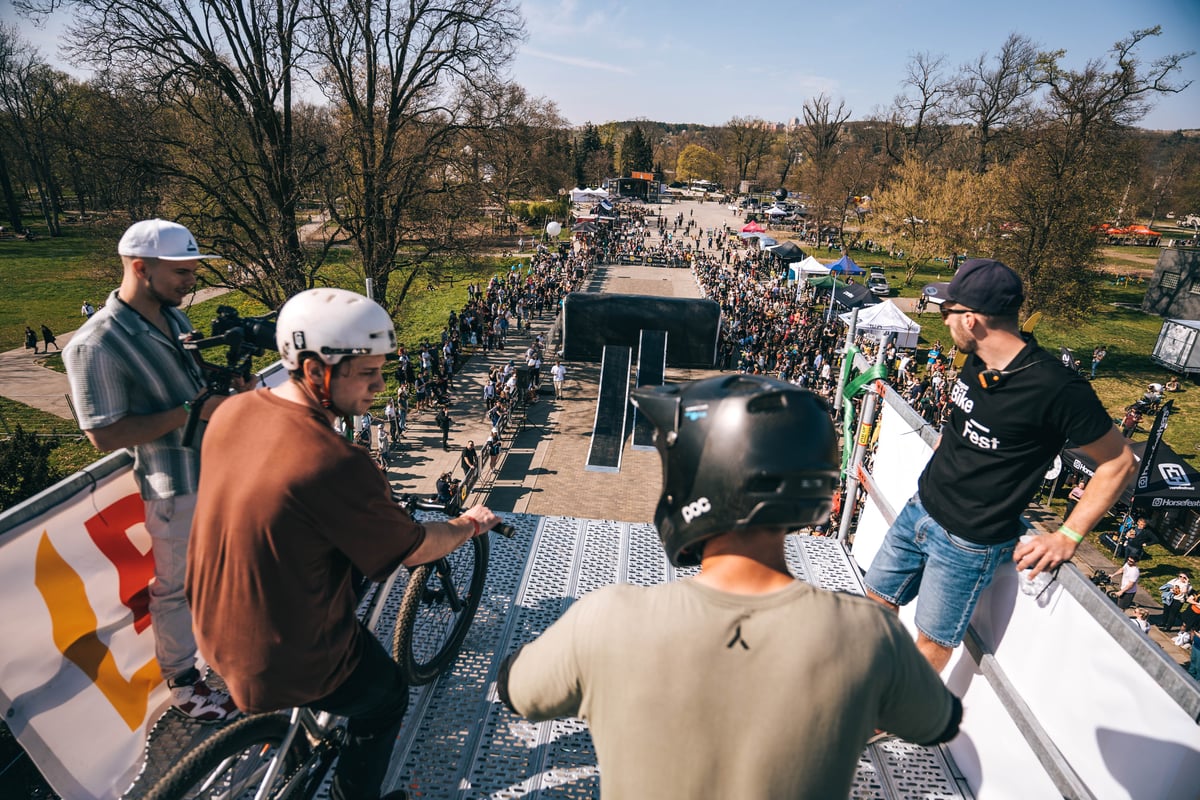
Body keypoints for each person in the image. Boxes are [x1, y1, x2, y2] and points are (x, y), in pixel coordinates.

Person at [499, 375, 961, 799]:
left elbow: (517, 690)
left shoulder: (607, 618)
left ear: (702, 477)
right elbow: (938, 721)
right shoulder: (869, 634)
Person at [187, 288, 500, 800]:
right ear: (314, 370)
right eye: (366, 372)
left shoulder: (230, 413)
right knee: (387, 697)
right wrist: (467, 525)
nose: (381, 384)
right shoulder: (333, 461)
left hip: (211, 630)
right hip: (286, 655)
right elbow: (416, 547)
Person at [864, 259, 1136, 672]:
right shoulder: (975, 360)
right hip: (921, 507)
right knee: (876, 598)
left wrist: (1068, 536)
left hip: (970, 540)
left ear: (970, 320)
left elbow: (1119, 462)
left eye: (945, 312)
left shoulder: (1056, 388)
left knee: (932, 641)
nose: (943, 322)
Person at [64, 218, 241, 721]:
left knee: (223, 574)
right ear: (140, 268)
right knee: (177, 588)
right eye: (182, 272)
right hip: (173, 485)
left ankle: (224, 656)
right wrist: (192, 410)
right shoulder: (93, 344)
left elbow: (192, 383)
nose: (192, 282)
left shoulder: (175, 319)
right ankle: (184, 684)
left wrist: (226, 383)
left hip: (217, 473)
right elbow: (103, 434)